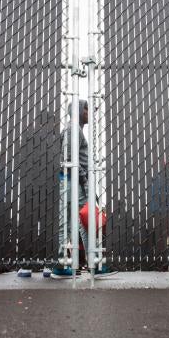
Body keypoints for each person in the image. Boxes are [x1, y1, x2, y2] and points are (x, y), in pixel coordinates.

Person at [55, 99, 116, 279]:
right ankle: (94, 264)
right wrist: (83, 179)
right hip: (74, 182)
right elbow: (68, 158)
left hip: (71, 181)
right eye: (87, 109)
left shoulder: (74, 130)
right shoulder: (73, 129)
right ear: (79, 111)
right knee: (86, 220)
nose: (89, 113)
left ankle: (63, 265)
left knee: (71, 222)